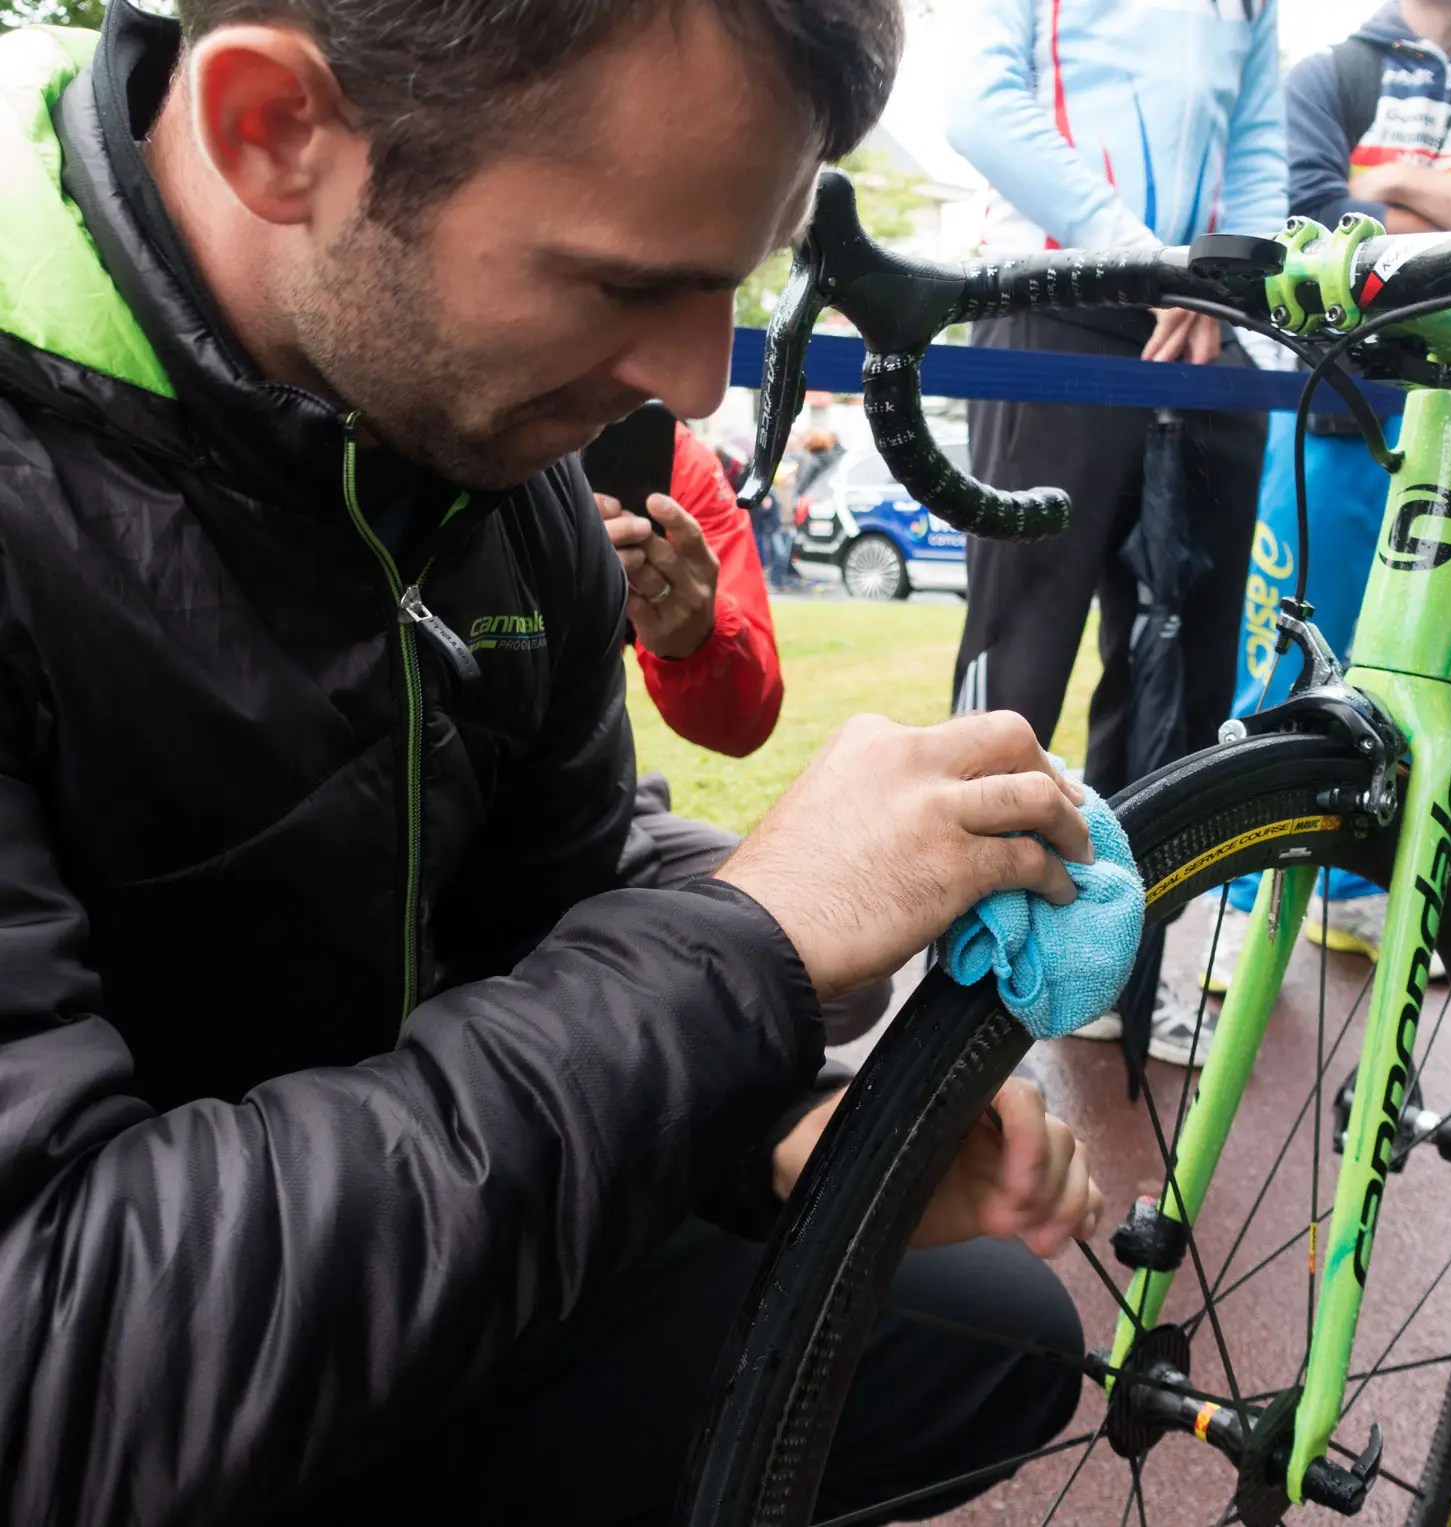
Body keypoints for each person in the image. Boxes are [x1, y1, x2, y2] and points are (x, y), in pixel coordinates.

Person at [0, 4, 1103, 1522]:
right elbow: (49, 1366)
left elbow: (551, 908)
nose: (696, 383)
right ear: (274, 131)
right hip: (127, 1378)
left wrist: (774, 1115)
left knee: (985, 1329)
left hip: (386, 1272)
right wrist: (750, 945)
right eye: (627, 281)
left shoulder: (491, 453)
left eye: (733, 283)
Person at [1220, 0, 1451, 976]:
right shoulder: (1327, 74)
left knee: (1421, 674)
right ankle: (1240, 897)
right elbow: (1307, 209)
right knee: (1285, 661)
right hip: (1333, 404)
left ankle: (1352, 892)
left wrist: (1389, 183)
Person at [943, 0, 1285, 1065]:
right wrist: (1144, 260)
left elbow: (1257, 145)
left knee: (1181, 683)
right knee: (1016, 671)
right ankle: (950, 1008)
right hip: (1057, 292)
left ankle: (1121, 972)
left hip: (1207, 331)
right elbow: (979, 104)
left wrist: (1223, 285)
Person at [595, 418, 892, 1040]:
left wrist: (695, 637)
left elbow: (744, 720)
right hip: (419, 838)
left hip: (591, 817)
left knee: (842, 969)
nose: (701, 386)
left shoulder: (663, 453)